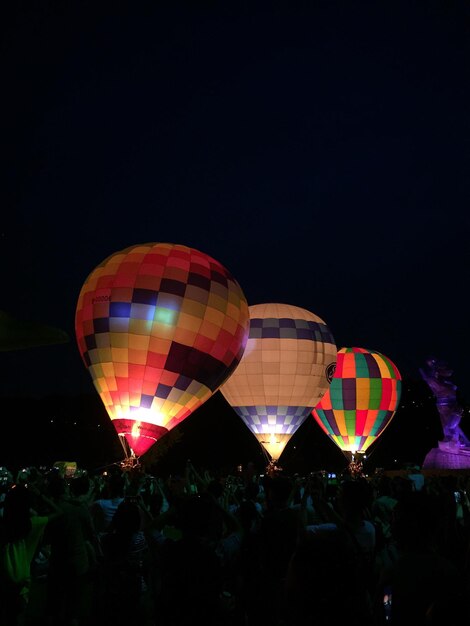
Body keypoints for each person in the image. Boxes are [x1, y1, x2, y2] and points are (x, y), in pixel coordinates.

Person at [419, 357, 470, 447]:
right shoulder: (436, 383)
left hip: (452, 407)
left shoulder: (447, 384)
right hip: (442, 407)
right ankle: (461, 441)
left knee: (450, 426)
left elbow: (432, 380)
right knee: (449, 427)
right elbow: (430, 380)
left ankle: (460, 441)